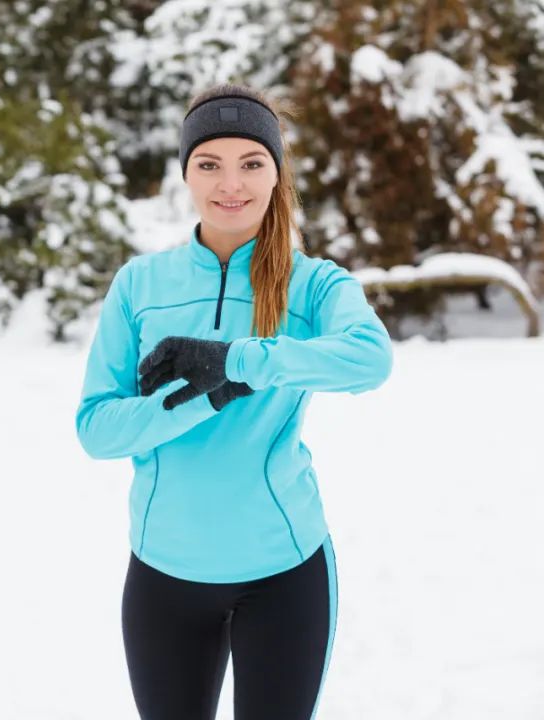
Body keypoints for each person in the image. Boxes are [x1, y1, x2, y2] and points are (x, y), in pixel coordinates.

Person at [74, 83, 395, 720]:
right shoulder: (140, 283)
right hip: (164, 573)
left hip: (284, 573)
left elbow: (370, 359)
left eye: (252, 163)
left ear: (276, 173)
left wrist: (240, 360)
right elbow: (96, 429)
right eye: (209, 164)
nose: (231, 184)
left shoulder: (313, 283)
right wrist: (203, 397)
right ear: (186, 173)